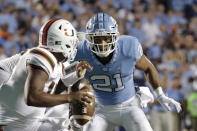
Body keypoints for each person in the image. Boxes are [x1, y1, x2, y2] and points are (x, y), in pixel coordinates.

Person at [73, 13, 182, 131]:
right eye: (97, 39)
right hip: (99, 110)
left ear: (115, 37)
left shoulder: (128, 46)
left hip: (130, 106)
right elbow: (62, 75)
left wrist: (160, 95)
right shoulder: (80, 51)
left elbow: (148, 68)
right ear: (89, 39)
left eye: (107, 38)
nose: (103, 44)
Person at [0, 18, 93, 131]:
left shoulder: (55, 61)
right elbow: (32, 97)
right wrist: (70, 97)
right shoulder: (43, 57)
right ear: (62, 42)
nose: (74, 47)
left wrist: (74, 76)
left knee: (65, 126)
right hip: (13, 124)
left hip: (28, 123)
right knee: (62, 115)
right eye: (72, 42)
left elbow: (50, 92)